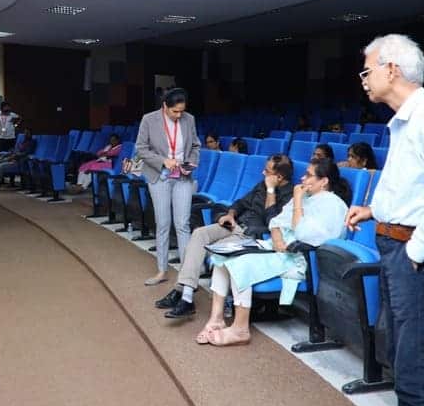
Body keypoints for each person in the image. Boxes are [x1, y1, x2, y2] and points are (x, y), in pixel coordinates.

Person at [346, 34, 424, 406]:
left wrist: (416, 253)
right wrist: (374, 211)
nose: (363, 80)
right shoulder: (404, 122)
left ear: (391, 69)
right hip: (399, 247)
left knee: (417, 373)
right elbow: (412, 187)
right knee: (403, 364)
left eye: (367, 71)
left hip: (420, 253)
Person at [202, 157, 350, 346]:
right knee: (222, 257)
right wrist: (278, 237)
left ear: (324, 181)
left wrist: (297, 201)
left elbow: (302, 233)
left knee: (239, 263)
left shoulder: (333, 205)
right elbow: (276, 221)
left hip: (300, 258)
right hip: (278, 249)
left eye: (309, 175)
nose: (303, 179)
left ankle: (240, 329)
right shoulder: (308, 196)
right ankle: (216, 319)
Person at [157, 155, 294, 318]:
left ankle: (185, 297)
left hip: (252, 235)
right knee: (199, 234)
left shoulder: (289, 196)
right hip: (235, 225)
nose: (263, 173)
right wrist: (230, 215)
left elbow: (273, 222)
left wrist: (271, 191)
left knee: (213, 248)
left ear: (279, 177)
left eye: (267, 171)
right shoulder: (261, 185)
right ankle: (184, 293)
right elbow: (240, 203)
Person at [136, 87, 200, 286]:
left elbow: (195, 146)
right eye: (175, 111)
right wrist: (163, 161)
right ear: (165, 106)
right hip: (160, 176)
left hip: (182, 177)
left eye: (182, 111)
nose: (179, 115)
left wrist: (190, 164)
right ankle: (162, 270)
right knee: (163, 224)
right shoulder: (149, 120)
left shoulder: (189, 119)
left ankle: (186, 276)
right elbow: (141, 149)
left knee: (183, 225)